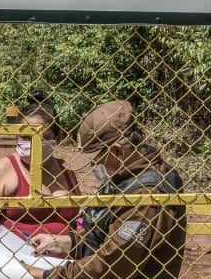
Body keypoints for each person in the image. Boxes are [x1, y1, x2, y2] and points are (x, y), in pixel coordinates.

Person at [20, 100, 187, 279]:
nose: (94, 165)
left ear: (117, 151)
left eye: (97, 159)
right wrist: (64, 242)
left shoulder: (146, 195)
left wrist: (46, 275)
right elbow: (104, 231)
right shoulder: (125, 174)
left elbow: (113, 263)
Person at [0, 90, 80, 261]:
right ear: (17, 135)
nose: (34, 144)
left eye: (44, 137)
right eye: (26, 137)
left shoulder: (67, 172)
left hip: (65, 268)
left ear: (57, 137)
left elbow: (80, 225)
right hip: (15, 266)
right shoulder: (3, 170)